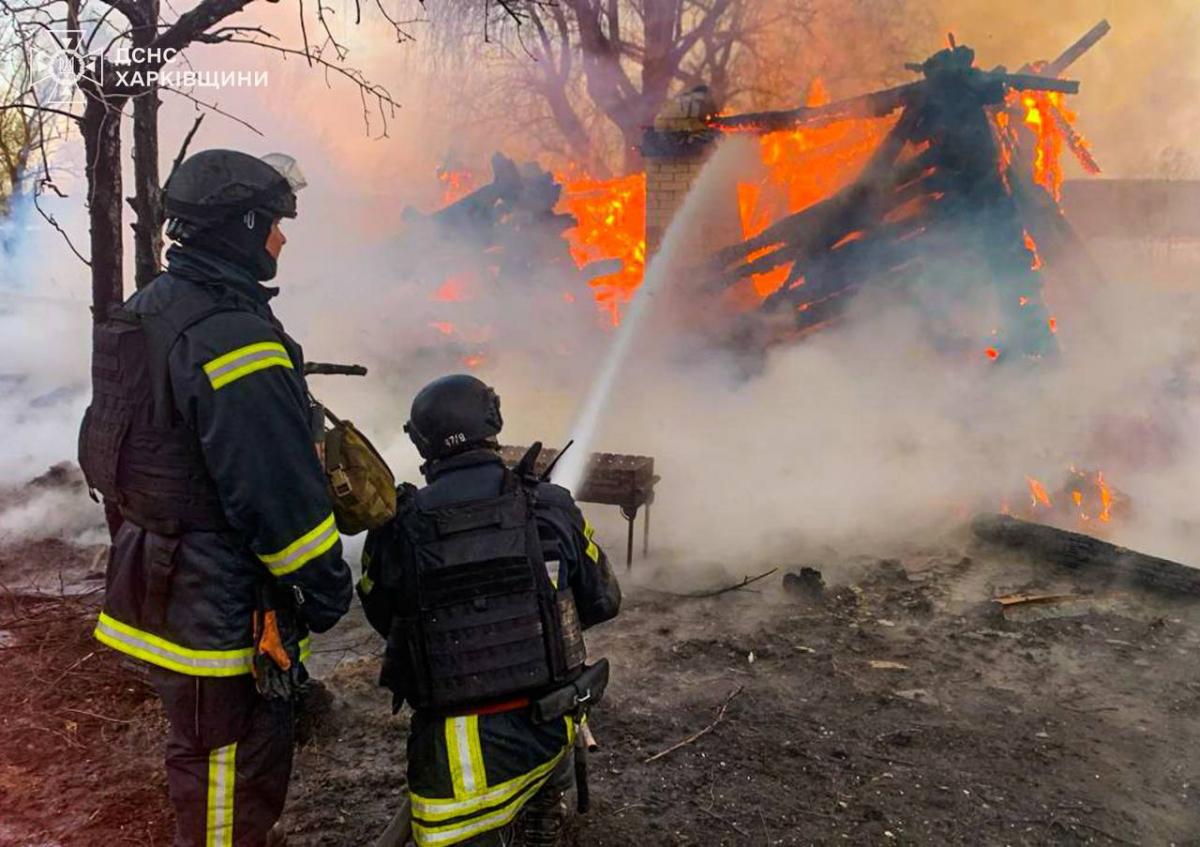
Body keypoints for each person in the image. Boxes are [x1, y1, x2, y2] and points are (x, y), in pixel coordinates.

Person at [80, 149, 353, 847]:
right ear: (243, 226)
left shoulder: (147, 312)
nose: (281, 239)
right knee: (234, 769)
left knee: (202, 751)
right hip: (222, 608)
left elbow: (110, 450)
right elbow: (278, 497)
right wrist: (326, 588)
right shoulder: (232, 339)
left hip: (159, 580)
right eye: (274, 223)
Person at [358, 374, 622, 846]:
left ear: (421, 443)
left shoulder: (396, 527)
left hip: (449, 765)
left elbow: (384, 617)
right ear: (493, 422)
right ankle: (544, 803)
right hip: (544, 733)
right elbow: (602, 601)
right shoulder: (549, 506)